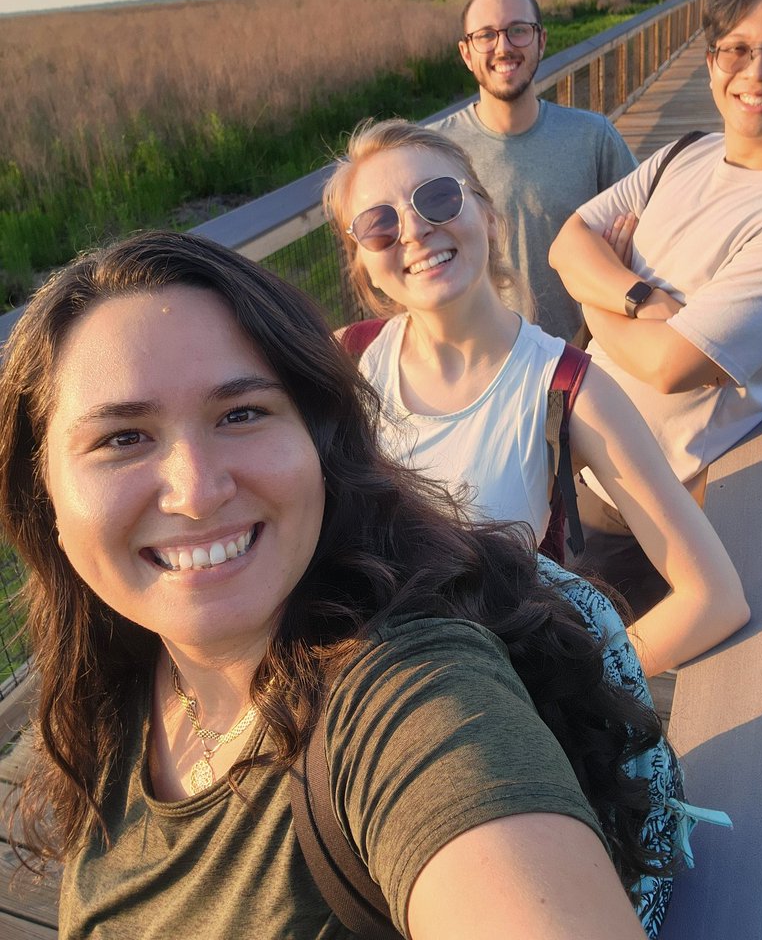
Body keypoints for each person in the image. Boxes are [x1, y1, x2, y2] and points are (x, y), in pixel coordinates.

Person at [0, 230, 684, 940]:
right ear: (43, 494)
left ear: (321, 444)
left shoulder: (410, 692)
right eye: (122, 439)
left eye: (241, 415)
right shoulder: (118, 673)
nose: (197, 492)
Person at [323, 119, 748, 677]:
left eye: (438, 198)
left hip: (487, 729)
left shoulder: (568, 386)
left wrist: (572, 687)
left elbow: (713, 597)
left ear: (489, 216)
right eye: (379, 223)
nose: (414, 231)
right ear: (364, 265)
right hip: (357, 710)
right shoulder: (344, 364)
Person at [548, 0, 762, 541]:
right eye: (736, 48)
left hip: (631, 516)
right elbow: (567, 244)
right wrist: (640, 299)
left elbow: (669, 366)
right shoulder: (687, 151)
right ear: (712, 62)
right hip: (558, 459)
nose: (757, 69)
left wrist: (597, 295)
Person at [433, 0, 637, 339]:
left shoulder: (593, 137)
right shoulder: (436, 151)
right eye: (486, 35)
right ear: (466, 53)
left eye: (518, 31)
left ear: (541, 40)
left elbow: (646, 229)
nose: (503, 47)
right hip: (482, 363)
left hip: (583, 356)